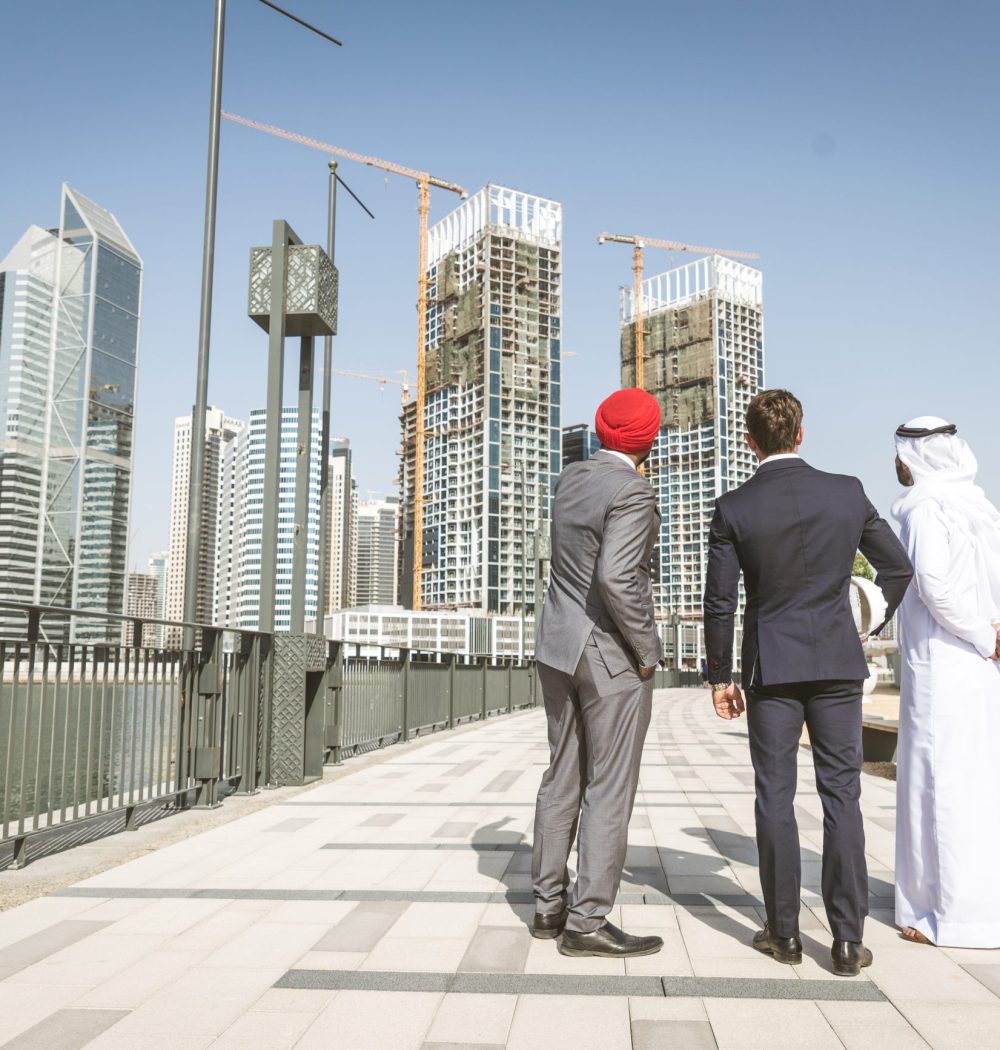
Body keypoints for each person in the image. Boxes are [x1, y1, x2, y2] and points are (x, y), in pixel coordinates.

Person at [703, 389, 912, 977]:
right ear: (801, 434)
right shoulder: (847, 492)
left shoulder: (734, 507)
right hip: (840, 663)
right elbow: (897, 567)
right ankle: (848, 940)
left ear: (750, 441)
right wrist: (868, 618)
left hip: (772, 669)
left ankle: (784, 933)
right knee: (841, 795)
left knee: (775, 796)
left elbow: (719, 602)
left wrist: (720, 676)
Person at [531, 387, 665, 958]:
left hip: (557, 646)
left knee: (562, 774)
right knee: (609, 786)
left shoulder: (571, 479)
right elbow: (617, 579)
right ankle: (587, 923)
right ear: (649, 438)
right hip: (609, 653)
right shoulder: (633, 490)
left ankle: (547, 906)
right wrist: (648, 650)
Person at [892, 417, 1000, 948]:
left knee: (936, 786)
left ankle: (943, 915)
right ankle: (980, 909)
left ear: (912, 456)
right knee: (977, 785)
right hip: (981, 665)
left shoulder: (923, 506)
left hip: (944, 659)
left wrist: (982, 633)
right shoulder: (979, 505)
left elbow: (931, 583)